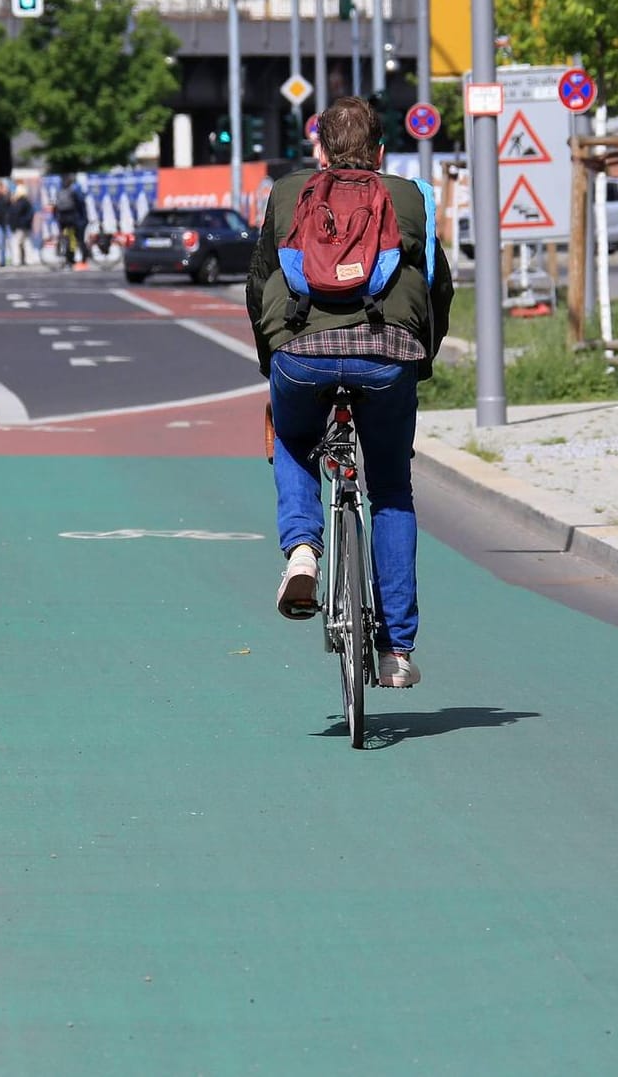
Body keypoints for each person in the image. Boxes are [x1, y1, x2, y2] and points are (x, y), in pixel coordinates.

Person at [245, 96, 454, 689]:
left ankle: (303, 552)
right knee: (389, 486)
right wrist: (422, 362)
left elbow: (259, 281)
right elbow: (438, 287)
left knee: (291, 438)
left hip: (300, 356)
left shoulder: (289, 193)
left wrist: (274, 360)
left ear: (320, 150)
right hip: (389, 357)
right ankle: (396, 651)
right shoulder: (409, 197)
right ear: (382, 151)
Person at [53, 179, 87, 268]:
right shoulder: (72, 192)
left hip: (62, 220)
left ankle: (66, 258)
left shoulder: (59, 193)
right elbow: (80, 205)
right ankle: (72, 258)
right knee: (72, 239)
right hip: (71, 219)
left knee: (65, 238)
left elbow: (55, 207)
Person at [9, 186, 36, 266]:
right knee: (27, 243)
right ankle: (29, 260)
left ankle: (16, 261)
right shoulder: (27, 202)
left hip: (19, 227)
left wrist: (13, 226)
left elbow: (14, 215)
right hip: (26, 226)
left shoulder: (18, 203)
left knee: (15, 244)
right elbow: (31, 214)